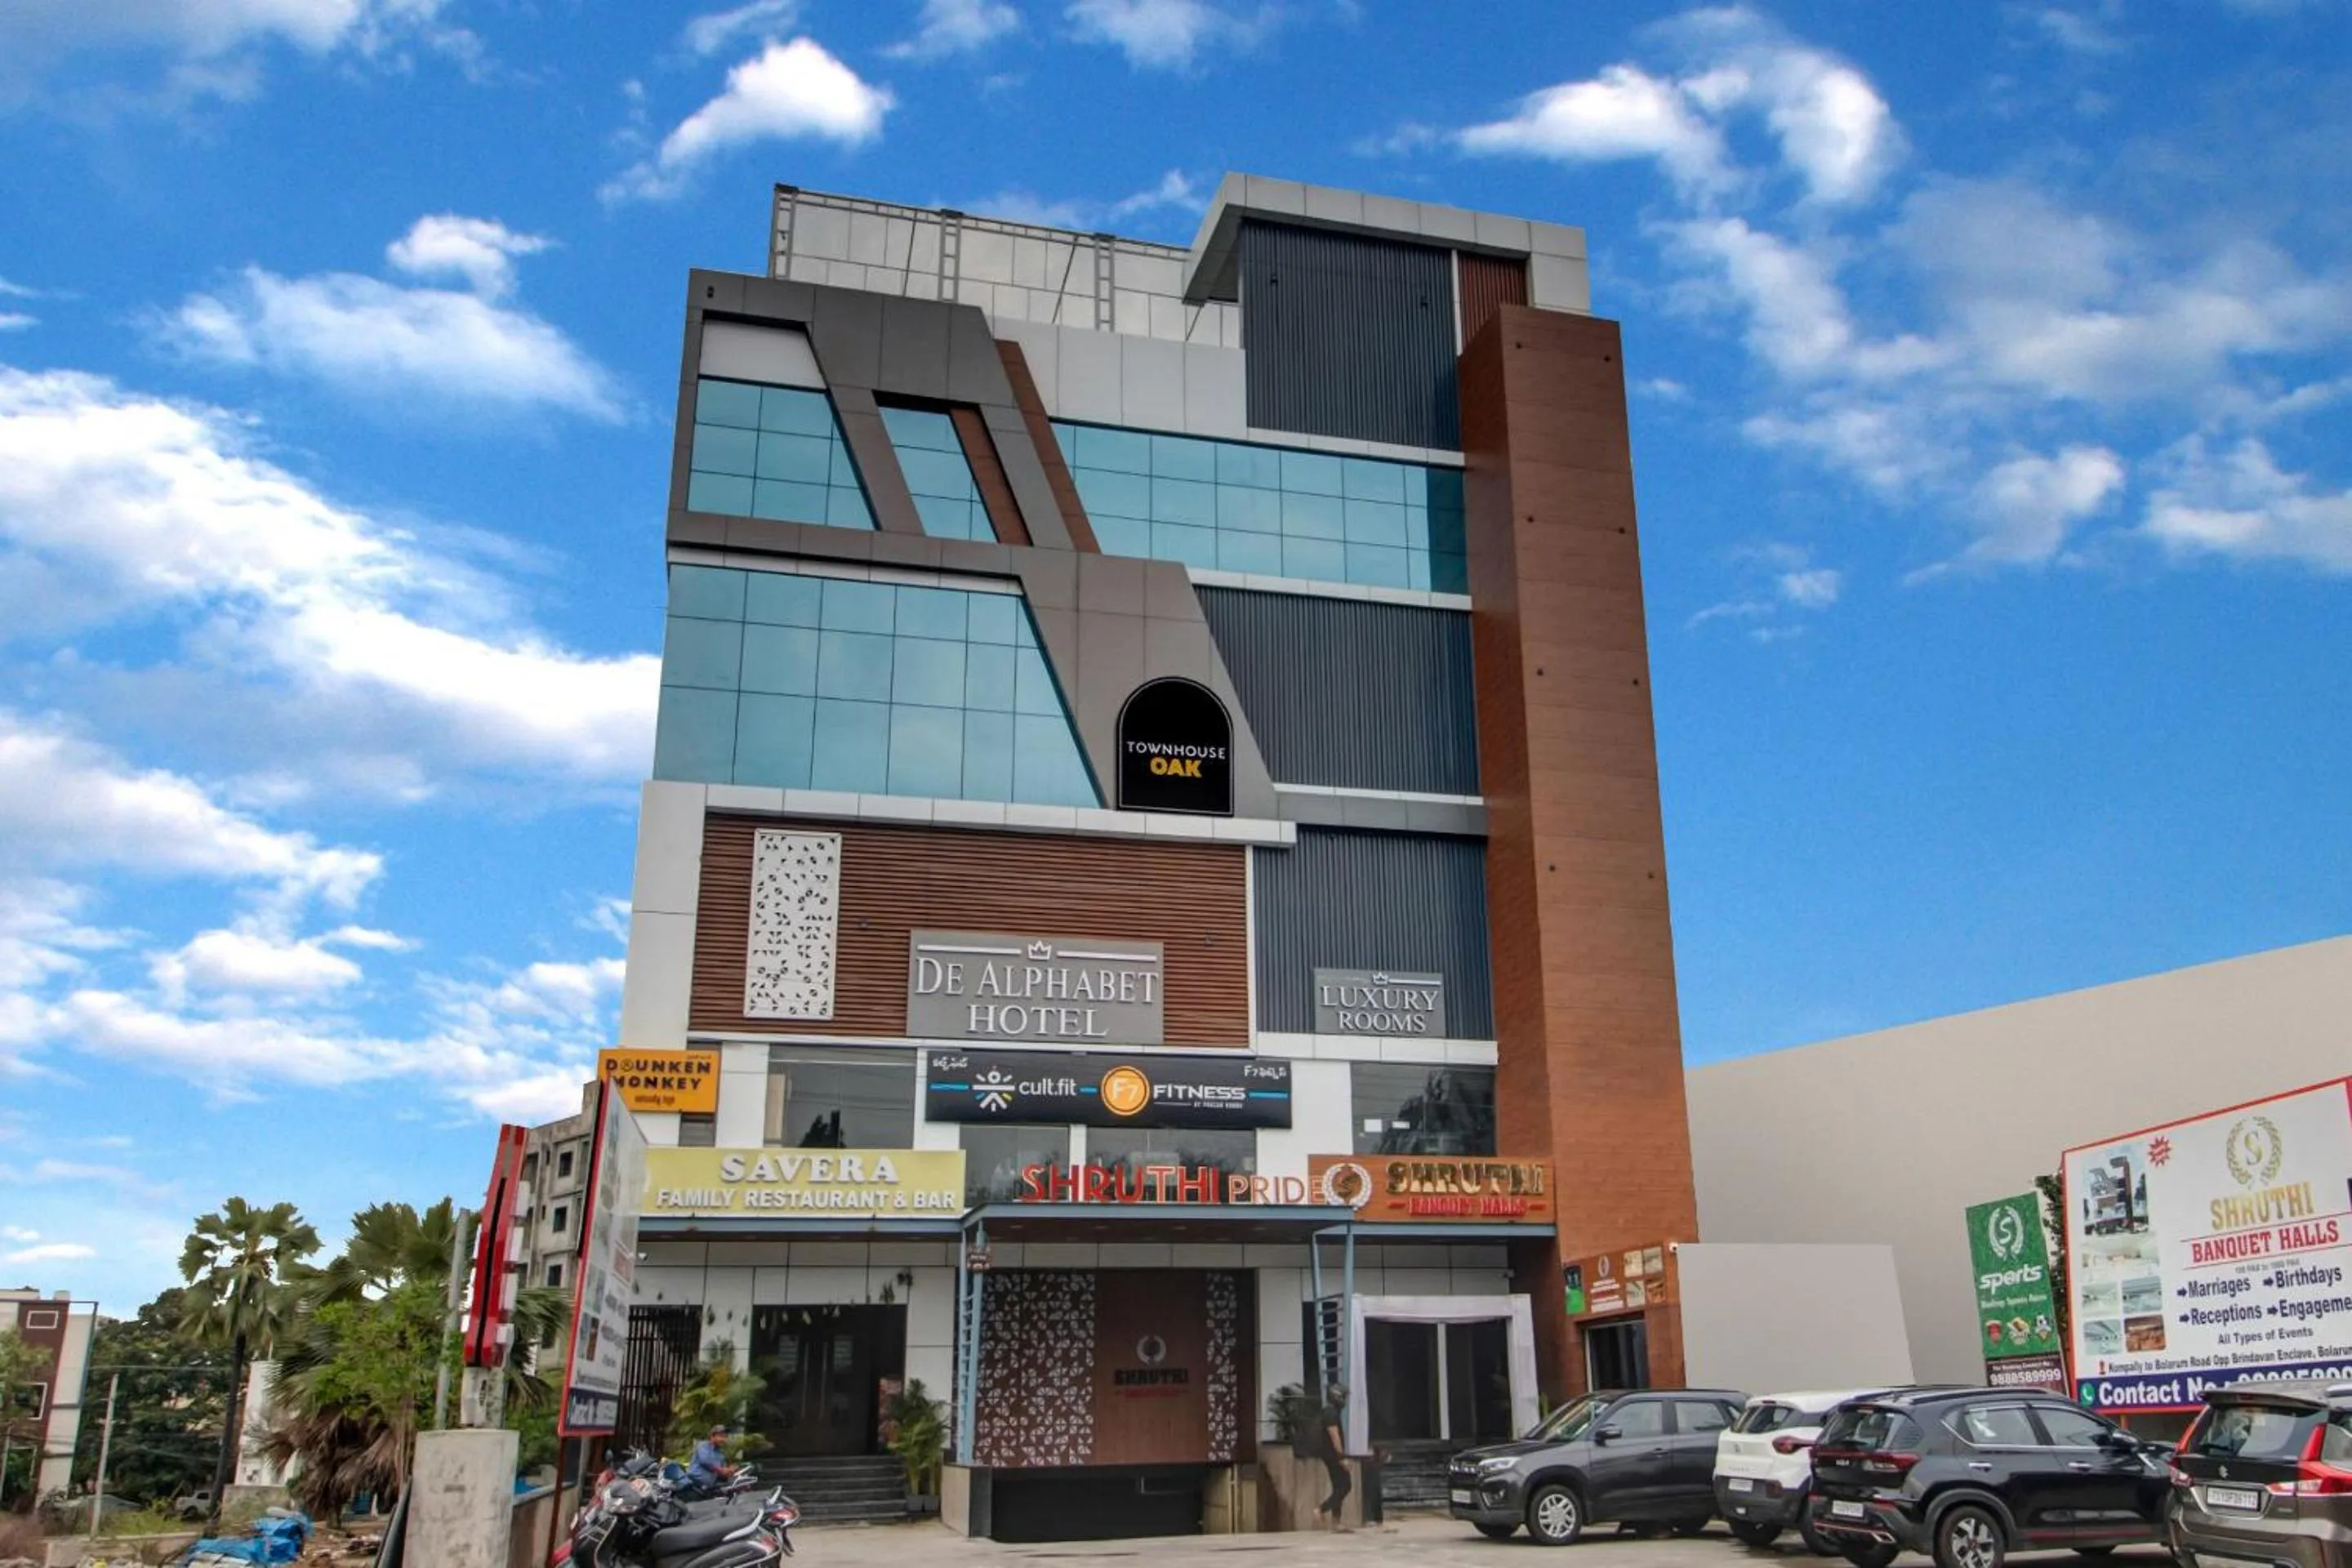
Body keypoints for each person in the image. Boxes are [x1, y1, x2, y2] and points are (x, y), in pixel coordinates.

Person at [1313, 1393, 1352, 1531]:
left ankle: (1336, 1523)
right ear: (1338, 1398)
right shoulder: (1331, 1413)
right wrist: (1341, 1457)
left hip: (1329, 1455)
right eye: (1344, 1397)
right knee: (1345, 1486)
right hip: (1333, 1455)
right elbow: (1334, 1436)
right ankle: (1321, 1509)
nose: (1346, 1401)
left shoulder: (1329, 1412)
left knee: (1338, 1487)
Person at [688, 1424, 735, 1491]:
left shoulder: (721, 1453)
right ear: (712, 1436)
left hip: (710, 1486)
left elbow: (723, 1473)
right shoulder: (703, 1445)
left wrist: (729, 1472)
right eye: (721, 1436)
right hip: (695, 1484)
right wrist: (722, 1471)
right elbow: (705, 1461)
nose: (723, 1439)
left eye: (725, 1437)